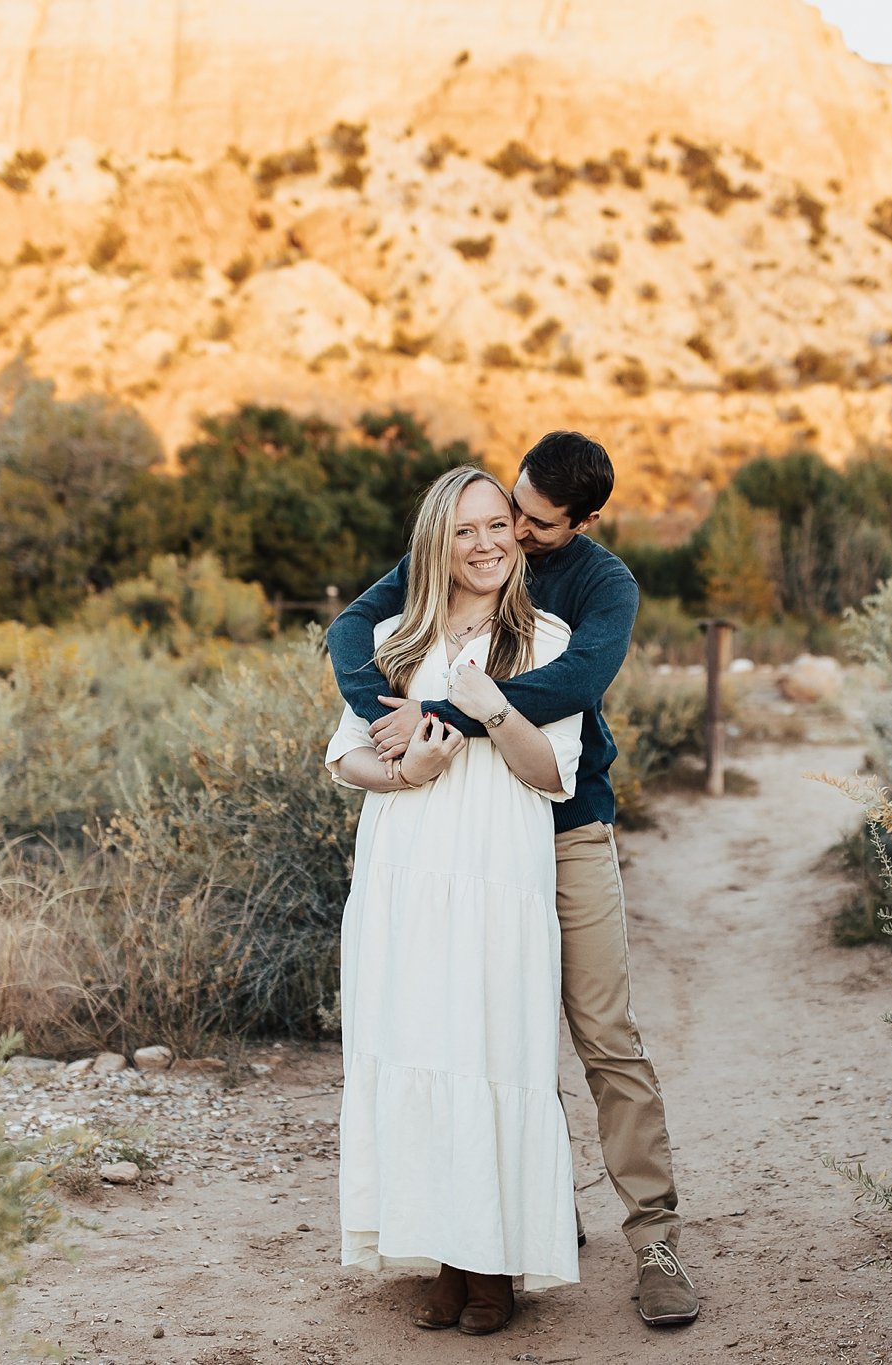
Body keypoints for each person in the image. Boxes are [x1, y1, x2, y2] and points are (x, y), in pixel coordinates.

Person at [327, 431, 699, 1329]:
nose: (511, 538)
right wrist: (379, 713)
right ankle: (510, 1223)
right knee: (478, 1028)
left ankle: (654, 1239)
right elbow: (354, 631)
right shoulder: (462, 545)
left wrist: (449, 709)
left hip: (561, 829)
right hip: (445, 835)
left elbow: (578, 680)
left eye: (531, 523)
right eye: (503, 515)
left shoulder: (599, 588)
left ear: (580, 521)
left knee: (601, 1030)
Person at [325, 465, 585, 1333]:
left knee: (489, 1047)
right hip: (405, 872)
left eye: (497, 527)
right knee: (418, 1042)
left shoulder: (547, 639)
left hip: (493, 875)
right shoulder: (392, 637)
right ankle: (445, 1252)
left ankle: (493, 1263)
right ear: (437, 541)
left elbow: (554, 773)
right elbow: (346, 758)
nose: (486, 545)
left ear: (518, 535)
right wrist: (408, 773)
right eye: (465, 530)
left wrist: (492, 709)